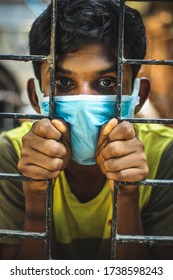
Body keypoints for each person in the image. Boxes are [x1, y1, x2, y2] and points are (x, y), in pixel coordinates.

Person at [0, 0, 173, 260]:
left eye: (106, 82)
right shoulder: (10, 155)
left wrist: (126, 195)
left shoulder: (165, 155)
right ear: (36, 97)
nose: (84, 100)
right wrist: (36, 199)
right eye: (63, 82)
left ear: (139, 96)